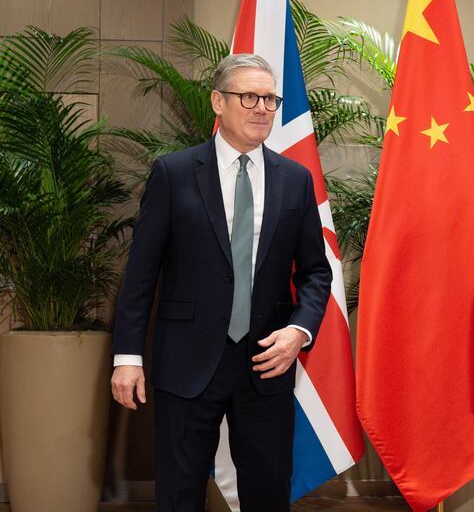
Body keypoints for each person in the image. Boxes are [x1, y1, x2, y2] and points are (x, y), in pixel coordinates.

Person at [110, 54, 332, 511]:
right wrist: (127, 357)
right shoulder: (173, 173)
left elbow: (315, 272)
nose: (261, 108)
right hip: (186, 363)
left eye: (270, 99)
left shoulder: (295, 180)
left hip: (266, 364)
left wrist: (300, 330)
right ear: (218, 101)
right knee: (180, 494)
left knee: (268, 494)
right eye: (249, 96)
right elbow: (140, 275)